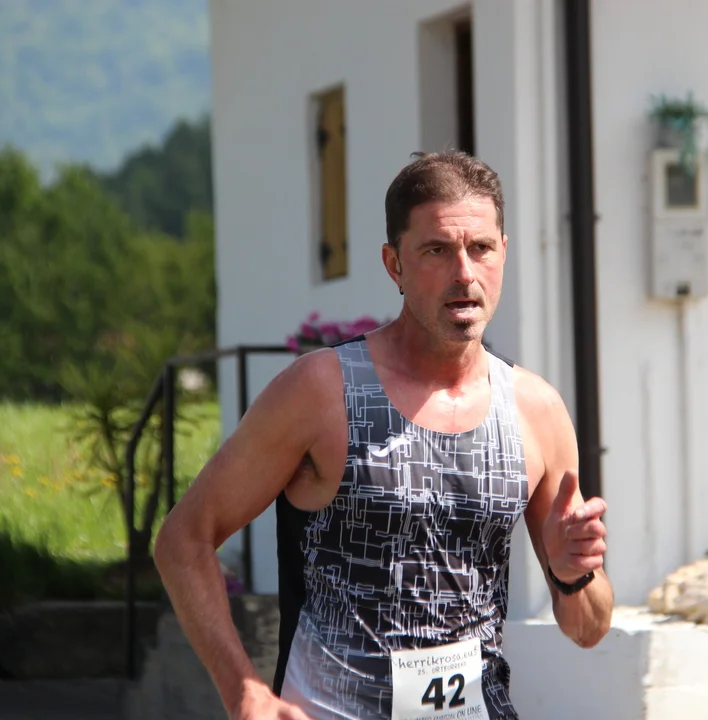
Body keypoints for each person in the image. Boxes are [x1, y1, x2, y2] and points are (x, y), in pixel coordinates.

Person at [154, 150, 615, 720]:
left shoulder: (534, 409)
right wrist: (243, 691)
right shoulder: (321, 391)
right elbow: (183, 540)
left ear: (503, 252)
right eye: (436, 251)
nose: (464, 273)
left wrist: (573, 578)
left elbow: (589, 628)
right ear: (393, 264)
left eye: (480, 248)